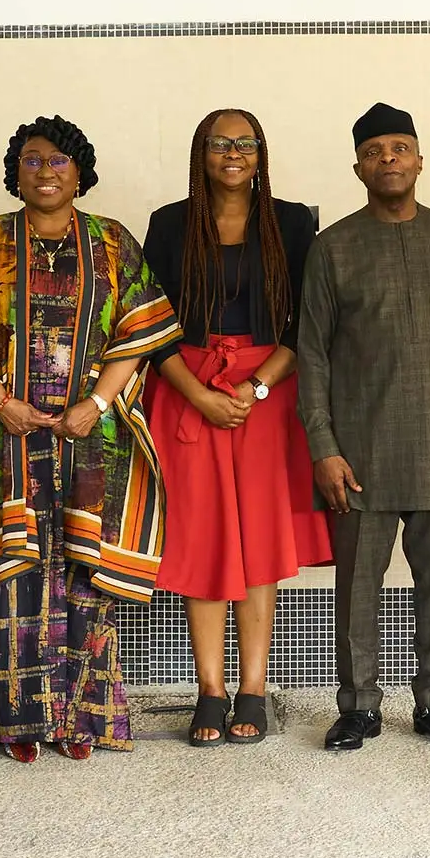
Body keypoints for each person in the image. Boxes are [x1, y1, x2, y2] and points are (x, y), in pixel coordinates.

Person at [0, 115, 177, 761]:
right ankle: (14, 722)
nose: (45, 172)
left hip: (91, 436)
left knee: (86, 576)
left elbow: (137, 333)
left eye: (59, 162)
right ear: (16, 170)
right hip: (4, 436)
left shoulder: (113, 242)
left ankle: (80, 720)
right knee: (14, 571)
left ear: (80, 172)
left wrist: (96, 403)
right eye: (32, 161)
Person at [296, 102, 430, 753]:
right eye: (376, 149)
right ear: (358, 165)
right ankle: (357, 707)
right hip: (359, 453)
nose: (389, 158)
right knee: (356, 589)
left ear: (419, 161)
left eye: (400, 147)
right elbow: (312, 354)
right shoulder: (333, 248)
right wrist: (323, 447)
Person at [143, 108, 328, 746]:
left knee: (257, 541)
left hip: (266, 392)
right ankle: (210, 691)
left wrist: (254, 387)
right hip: (187, 390)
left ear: (261, 153)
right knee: (202, 538)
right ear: (201, 151)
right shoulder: (169, 224)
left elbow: (306, 319)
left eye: (245, 143)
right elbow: (149, 324)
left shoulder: (292, 221)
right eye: (220, 143)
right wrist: (198, 393)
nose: (233, 153)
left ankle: (253, 685)